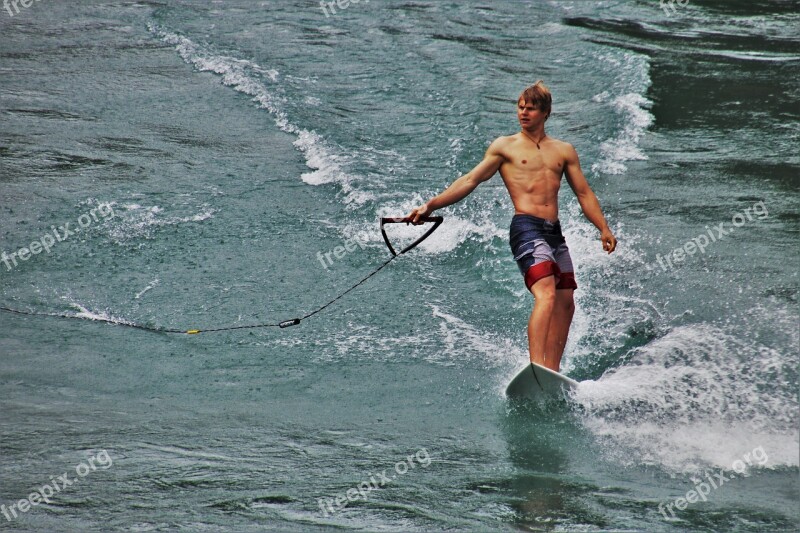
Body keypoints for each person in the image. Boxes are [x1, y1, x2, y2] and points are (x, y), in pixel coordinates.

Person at [407, 81, 617, 372]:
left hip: (553, 232)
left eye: (530, 108)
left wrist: (603, 228)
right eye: (520, 107)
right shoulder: (504, 147)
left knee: (566, 300)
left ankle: (552, 372)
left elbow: (584, 193)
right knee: (546, 292)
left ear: (545, 112)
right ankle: (536, 368)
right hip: (526, 227)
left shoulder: (564, 151)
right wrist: (430, 205)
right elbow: (470, 180)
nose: (523, 113)